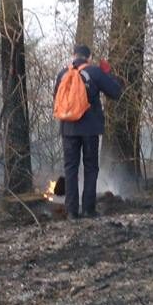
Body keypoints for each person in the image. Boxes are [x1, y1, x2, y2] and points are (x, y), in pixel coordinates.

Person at [54, 45, 122, 219]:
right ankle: (88, 209)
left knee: (71, 169)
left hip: (68, 128)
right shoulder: (95, 72)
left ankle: (71, 212)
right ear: (89, 57)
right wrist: (107, 73)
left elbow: (57, 99)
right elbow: (115, 92)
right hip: (90, 128)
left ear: (73, 55)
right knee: (91, 168)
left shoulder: (63, 74)